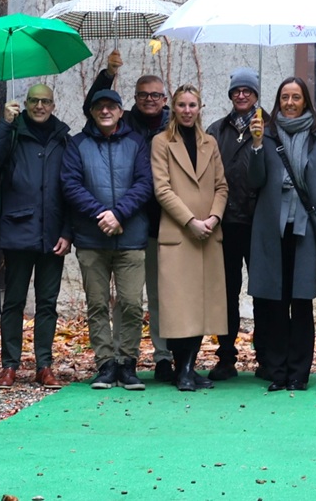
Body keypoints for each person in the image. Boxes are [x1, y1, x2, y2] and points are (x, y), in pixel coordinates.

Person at [246, 77, 316, 391]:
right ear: (277, 101)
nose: (289, 102)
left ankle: (299, 372)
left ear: (305, 102)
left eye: (295, 97)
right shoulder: (264, 132)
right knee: (273, 301)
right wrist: (257, 145)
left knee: (301, 301)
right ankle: (277, 371)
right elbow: (255, 181)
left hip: (304, 228)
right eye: (284, 97)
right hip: (270, 227)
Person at [0, 83, 72, 389]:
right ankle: (9, 365)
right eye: (34, 101)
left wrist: (68, 232)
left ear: (53, 105)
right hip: (18, 230)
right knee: (14, 301)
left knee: (47, 302)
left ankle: (44, 364)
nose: (40, 106)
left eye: (45, 101)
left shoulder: (64, 140)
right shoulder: (13, 133)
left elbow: (73, 190)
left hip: (53, 233)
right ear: (27, 103)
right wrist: (5, 124)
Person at [87, 52, 173, 379]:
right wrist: (108, 74)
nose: (149, 100)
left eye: (155, 95)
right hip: (131, 220)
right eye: (142, 95)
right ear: (133, 100)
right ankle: (124, 359)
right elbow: (94, 107)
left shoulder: (174, 124)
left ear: (164, 99)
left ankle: (164, 356)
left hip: (168, 220)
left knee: (163, 294)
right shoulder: (125, 125)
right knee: (129, 297)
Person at [60, 88, 152, 391]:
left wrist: (119, 215)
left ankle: (127, 363)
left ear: (120, 111)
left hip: (130, 237)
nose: (105, 111)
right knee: (97, 304)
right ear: (92, 112)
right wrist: (102, 213)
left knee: (131, 304)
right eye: (99, 107)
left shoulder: (137, 143)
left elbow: (145, 183)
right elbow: (70, 184)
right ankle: (105, 364)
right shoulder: (77, 145)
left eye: (111, 106)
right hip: (91, 238)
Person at [151, 85, 227, 392]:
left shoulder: (210, 142)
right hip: (178, 235)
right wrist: (190, 221)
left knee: (201, 306)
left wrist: (212, 218)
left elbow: (222, 186)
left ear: (200, 107)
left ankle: (188, 367)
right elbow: (162, 189)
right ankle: (182, 368)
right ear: (173, 107)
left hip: (208, 235)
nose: (186, 110)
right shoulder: (161, 142)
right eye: (181, 105)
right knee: (178, 306)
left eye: (192, 105)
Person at [205, 67, 266, 380]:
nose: (242, 95)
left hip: (259, 223)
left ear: (256, 95)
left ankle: (265, 357)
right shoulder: (216, 130)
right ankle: (226, 356)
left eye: (248, 91)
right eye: (236, 91)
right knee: (226, 292)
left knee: (263, 292)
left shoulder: (270, 127)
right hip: (227, 223)